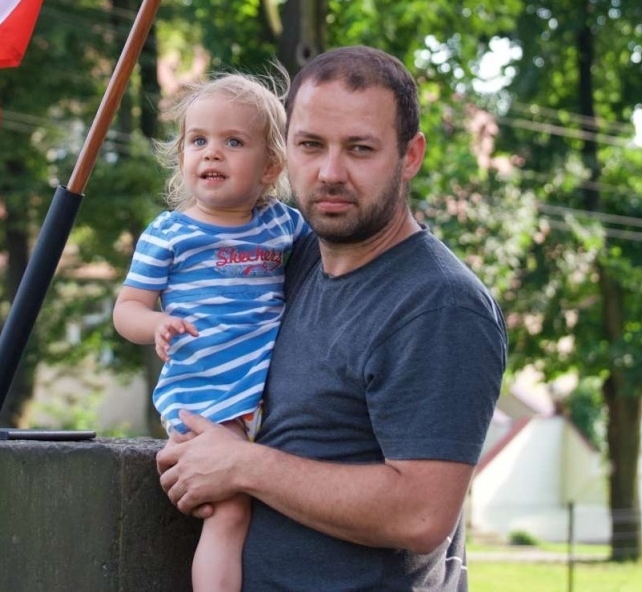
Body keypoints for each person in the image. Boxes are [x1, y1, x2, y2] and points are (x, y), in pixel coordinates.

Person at [157, 46, 507, 592]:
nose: (330, 172)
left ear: (410, 155)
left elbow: (420, 513)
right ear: (283, 152)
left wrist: (241, 466)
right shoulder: (287, 266)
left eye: (360, 149)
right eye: (310, 145)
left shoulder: (437, 304)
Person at [114, 72, 307, 592]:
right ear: (182, 157)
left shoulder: (284, 226)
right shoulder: (170, 234)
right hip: (206, 398)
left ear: (270, 167)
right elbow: (126, 308)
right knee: (230, 516)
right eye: (198, 140)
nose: (212, 154)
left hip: (270, 396)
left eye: (233, 142)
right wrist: (155, 322)